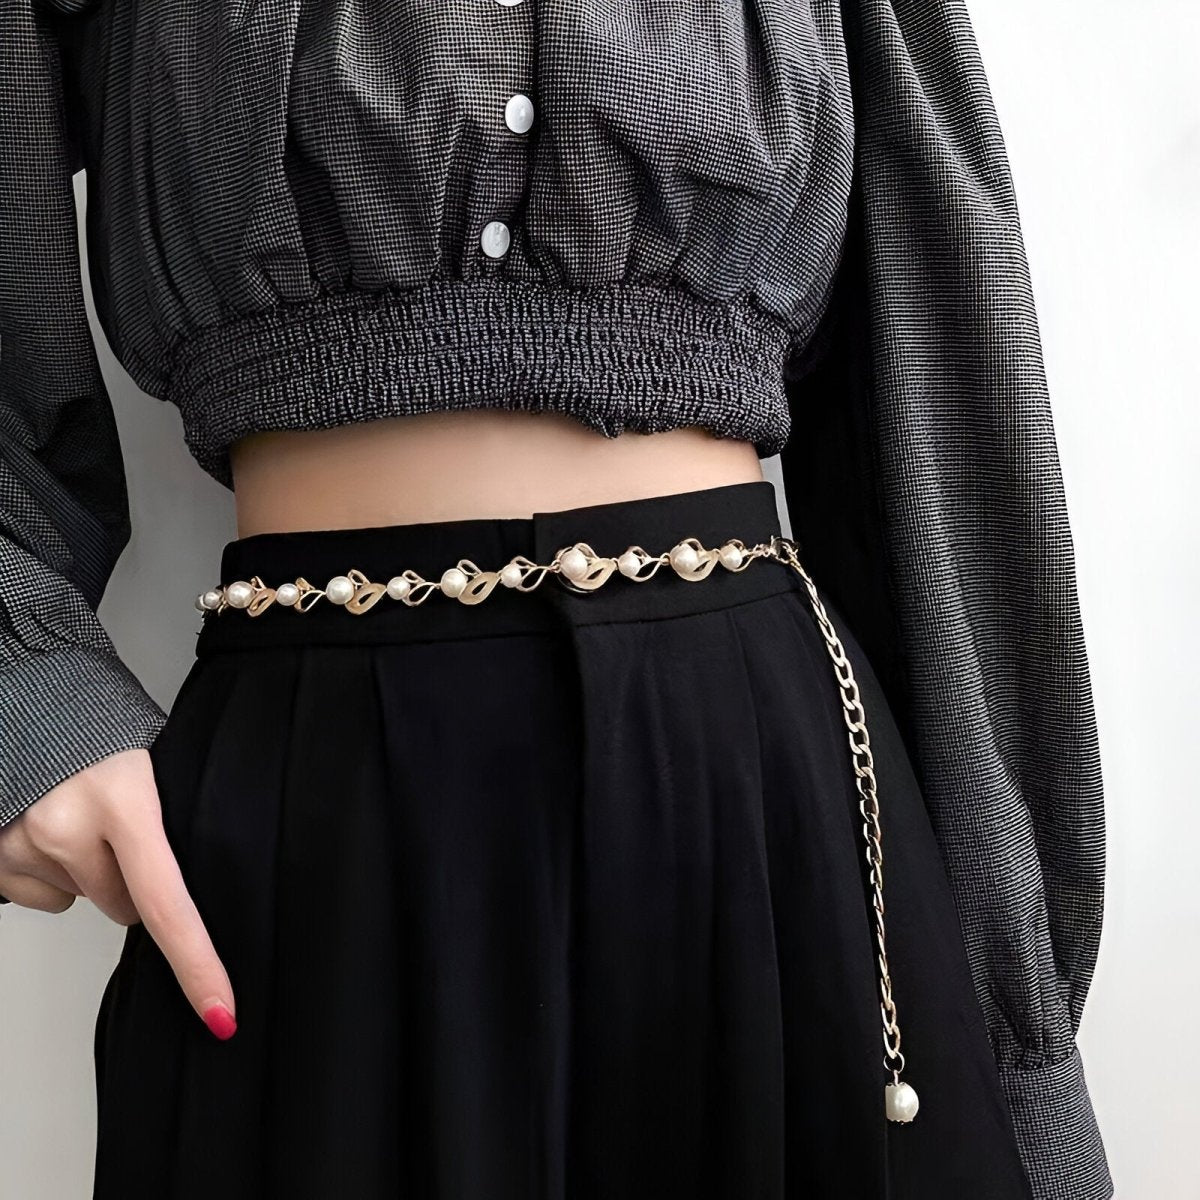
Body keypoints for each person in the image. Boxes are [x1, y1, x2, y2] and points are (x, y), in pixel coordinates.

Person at [0, 1, 1111, 1198]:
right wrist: (27, 691)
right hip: (316, 790)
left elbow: (941, 375)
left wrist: (1017, 1023)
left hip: (757, 774)